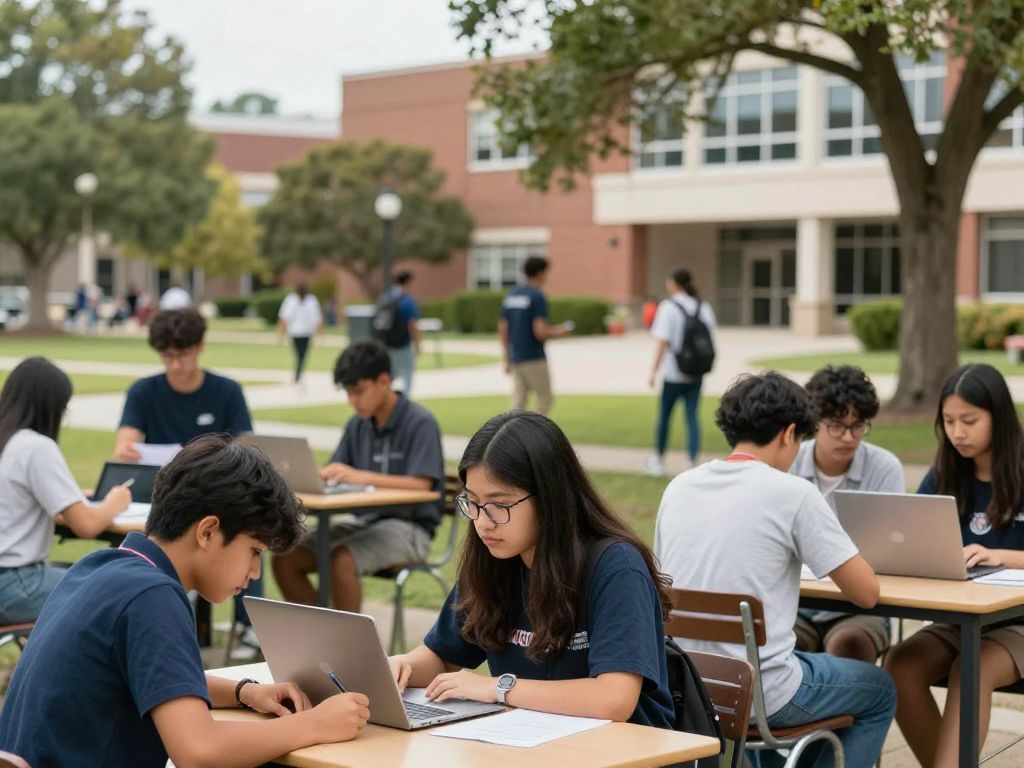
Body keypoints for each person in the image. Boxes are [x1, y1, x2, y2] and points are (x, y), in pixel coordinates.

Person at [0, 435, 371, 767]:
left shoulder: (102, 567)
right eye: (254, 551)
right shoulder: (152, 597)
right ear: (208, 532)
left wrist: (246, 692)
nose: (256, 572)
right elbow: (199, 751)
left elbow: (155, 677)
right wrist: (316, 723)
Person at [654, 372, 895, 768]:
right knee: (880, 689)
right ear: (788, 434)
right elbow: (865, 593)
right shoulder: (793, 493)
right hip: (761, 694)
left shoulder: (680, 486)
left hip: (690, 683)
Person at [387, 411, 675, 727]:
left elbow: (614, 700)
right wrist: (403, 666)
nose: (483, 522)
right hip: (532, 744)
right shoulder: (494, 560)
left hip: (628, 752)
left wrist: (497, 687)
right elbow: (443, 657)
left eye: (500, 505)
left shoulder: (615, 567)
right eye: (472, 502)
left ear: (550, 498)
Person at [885, 363, 1024, 768]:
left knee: (973, 666)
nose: (957, 432)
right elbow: (912, 539)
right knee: (899, 663)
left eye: (969, 420)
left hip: (1017, 622)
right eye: (948, 421)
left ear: (998, 417)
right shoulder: (945, 473)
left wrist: (1000, 557)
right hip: (960, 618)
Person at [113, 307, 260, 655]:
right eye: (168, 356)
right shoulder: (144, 391)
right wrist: (129, 450)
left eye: (183, 354)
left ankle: (248, 623)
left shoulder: (226, 391)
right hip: (161, 499)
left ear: (200, 347)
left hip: (218, 499)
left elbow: (246, 451)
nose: (176, 364)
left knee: (249, 529)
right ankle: (137, 616)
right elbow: (124, 446)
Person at [273, 341, 444, 612]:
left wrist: (359, 476)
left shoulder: (420, 422)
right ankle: (323, 637)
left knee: (342, 560)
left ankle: (348, 651)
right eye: (348, 393)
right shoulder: (358, 424)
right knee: (287, 557)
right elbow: (338, 470)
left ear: (384, 381)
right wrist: (321, 474)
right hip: (364, 522)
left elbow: (422, 484)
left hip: (411, 528)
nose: (352, 400)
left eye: (358, 391)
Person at [0, 358, 131, 624]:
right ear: (51, 407)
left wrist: (69, 498)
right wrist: (115, 502)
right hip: (17, 585)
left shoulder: (8, 441)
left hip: (11, 583)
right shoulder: (36, 447)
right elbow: (87, 525)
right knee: (132, 588)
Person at [790, 365, 905, 664]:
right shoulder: (789, 463)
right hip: (795, 602)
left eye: (858, 426)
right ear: (814, 422)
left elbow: (890, 550)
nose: (848, 437)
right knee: (781, 645)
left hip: (859, 607)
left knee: (850, 644)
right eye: (837, 425)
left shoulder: (884, 467)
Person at [645, 268, 717, 476]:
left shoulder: (668, 307)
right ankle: (692, 460)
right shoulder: (702, 306)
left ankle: (658, 459)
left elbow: (662, 342)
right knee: (692, 416)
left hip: (674, 372)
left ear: (673, 283)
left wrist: (653, 372)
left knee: (665, 416)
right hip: (696, 372)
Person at [498, 256, 572, 415]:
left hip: (516, 356)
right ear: (541, 272)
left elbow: (503, 328)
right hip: (534, 357)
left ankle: (511, 436)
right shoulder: (536, 296)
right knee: (545, 398)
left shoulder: (512, 295)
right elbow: (540, 332)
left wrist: (506, 356)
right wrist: (561, 331)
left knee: (518, 401)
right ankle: (534, 436)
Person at [380, 271, 421, 397]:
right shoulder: (408, 301)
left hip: (386, 343)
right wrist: (418, 345)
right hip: (403, 344)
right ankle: (405, 407)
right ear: (408, 282)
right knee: (407, 378)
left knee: (388, 377)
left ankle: (385, 401)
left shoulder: (386, 297)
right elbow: (412, 325)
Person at [277, 283, 323, 385]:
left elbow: (317, 318)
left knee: (301, 354)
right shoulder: (293, 300)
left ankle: (298, 373)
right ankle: (298, 372)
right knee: (301, 354)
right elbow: (284, 318)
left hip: (303, 333)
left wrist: (281, 335)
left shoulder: (310, 300)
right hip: (297, 332)